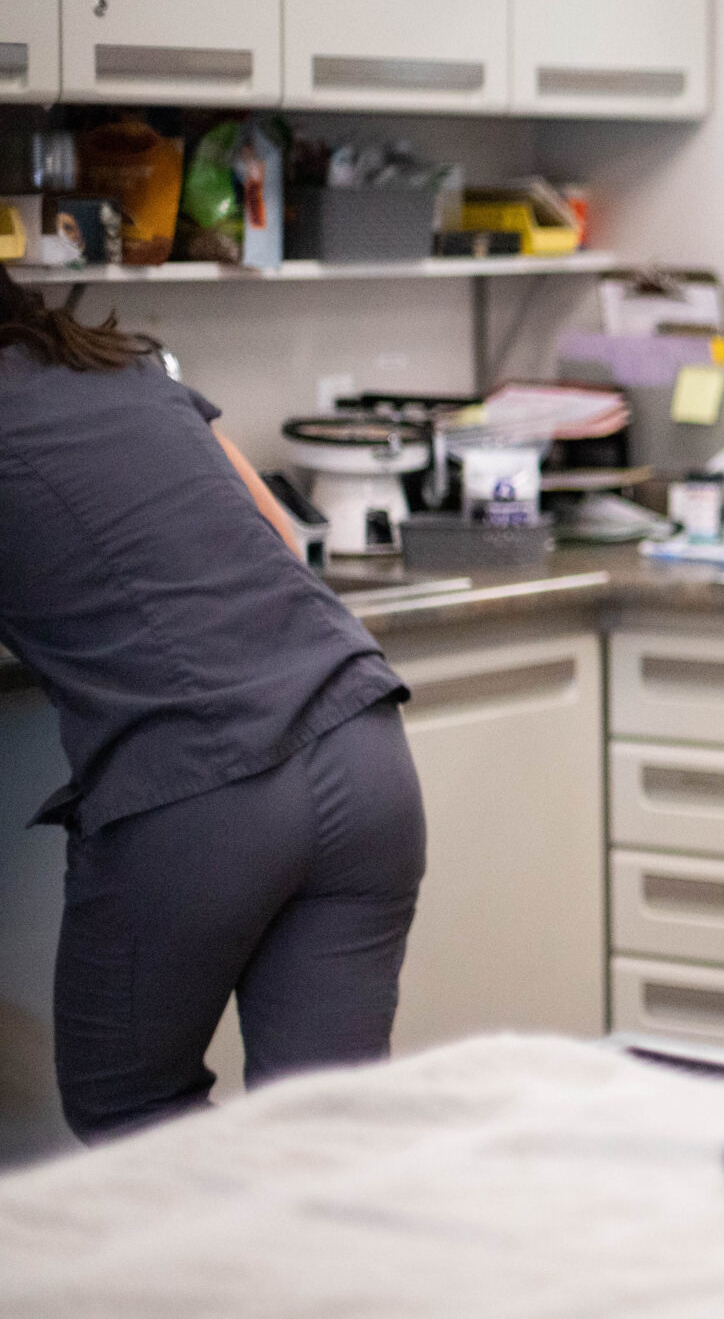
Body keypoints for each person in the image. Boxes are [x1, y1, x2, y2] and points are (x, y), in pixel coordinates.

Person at [0, 270, 427, 1142]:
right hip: (362, 744)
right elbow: (280, 533)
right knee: (326, 1132)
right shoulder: (128, 367)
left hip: (201, 788)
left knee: (130, 1107)